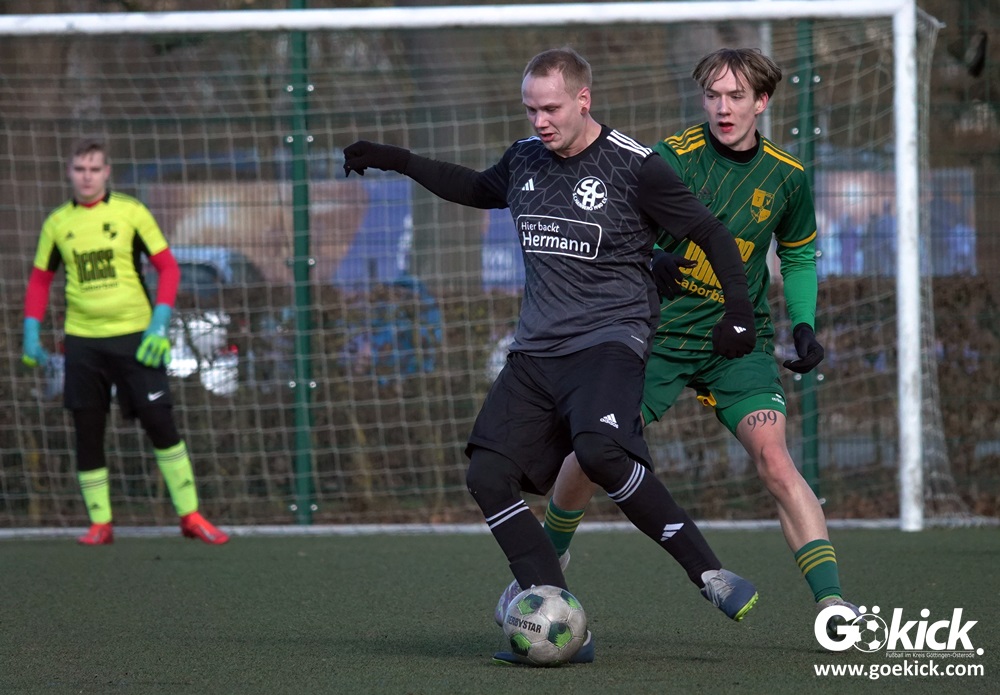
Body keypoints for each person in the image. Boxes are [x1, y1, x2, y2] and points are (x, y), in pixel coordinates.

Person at [344, 47, 759, 666]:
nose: (540, 120)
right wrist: (395, 159)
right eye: (531, 109)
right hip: (537, 350)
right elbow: (475, 188)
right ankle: (560, 616)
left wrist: (738, 312)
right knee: (486, 475)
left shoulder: (634, 165)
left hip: (609, 340)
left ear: (583, 100)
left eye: (551, 108)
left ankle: (709, 573)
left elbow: (711, 233)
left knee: (599, 452)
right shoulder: (525, 158)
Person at [503, 47, 860, 637]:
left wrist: (804, 324)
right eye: (713, 95)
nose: (723, 108)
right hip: (657, 336)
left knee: (775, 461)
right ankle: (550, 561)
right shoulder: (669, 157)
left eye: (736, 96)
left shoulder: (787, 176)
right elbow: (617, 228)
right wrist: (653, 255)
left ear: (762, 102)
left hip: (736, 342)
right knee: (591, 454)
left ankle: (833, 605)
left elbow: (798, 257)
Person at [21, 137, 229, 546]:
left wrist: (159, 324)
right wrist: (31, 331)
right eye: (80, 169)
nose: (87, 177)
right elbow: (40, 281)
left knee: (159, 421)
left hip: (136, 337)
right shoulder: (57, 223)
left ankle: (190, 515)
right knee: (87, 428)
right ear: (69, 172)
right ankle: (100, 523)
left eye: (94, 169)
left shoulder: (131, 212)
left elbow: (168, 268)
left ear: (106, 172)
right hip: (83, 341)